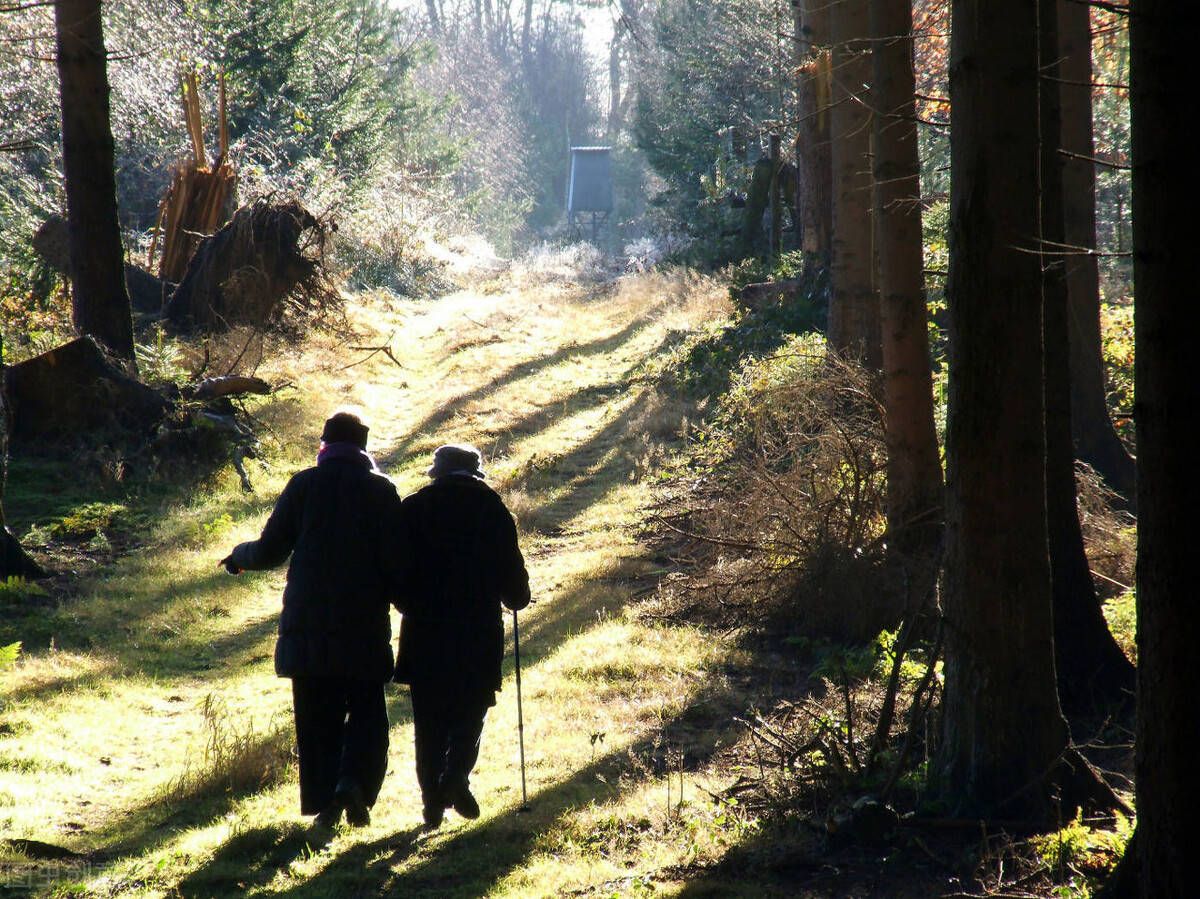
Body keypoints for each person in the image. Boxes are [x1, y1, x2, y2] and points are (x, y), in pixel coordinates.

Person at [220, 411, 404, 830]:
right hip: (363, 625)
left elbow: (270, 549)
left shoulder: (304, 485)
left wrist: (238, 558)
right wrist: (413, 604)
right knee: (367, 714)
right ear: (364, 449)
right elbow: (398, 562)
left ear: (324, 445)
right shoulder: (381, 491)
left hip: (308, 625)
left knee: (316, 719)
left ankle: (325, 807)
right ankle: (353, 784)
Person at [395, 443, 530, 828]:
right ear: (475, 474)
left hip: (425, 630)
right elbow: (511, 574)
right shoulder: (492, 508)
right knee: (472, 709)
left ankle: (432, 805)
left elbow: (396, 570)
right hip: (477, 629)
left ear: (437, 473)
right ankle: (455, 777)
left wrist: (409, 604)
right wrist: (518, 597)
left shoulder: (414, 508)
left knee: (430, 719)